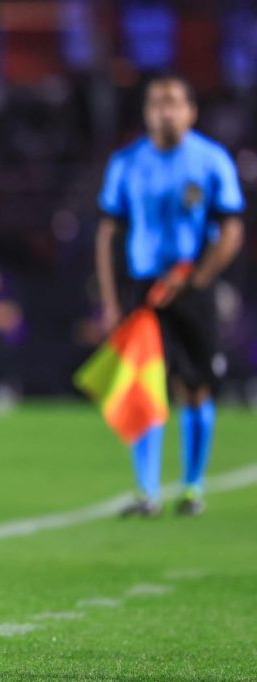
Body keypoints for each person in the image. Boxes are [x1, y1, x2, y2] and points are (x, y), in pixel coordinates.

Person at [95, 74, 245, 518]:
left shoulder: (211, 160)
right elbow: (108, 232)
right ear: (145, 113)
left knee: (196, 386)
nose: (165, 111)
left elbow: (232, 227)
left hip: (192, 285)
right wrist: (110, 299)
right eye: (156, 104)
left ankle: (193, 487)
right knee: (144, 385)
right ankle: (147, 493)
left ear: (191, 111)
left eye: (174, 102)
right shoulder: (125, 162)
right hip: (143, 288)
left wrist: (200, 276)